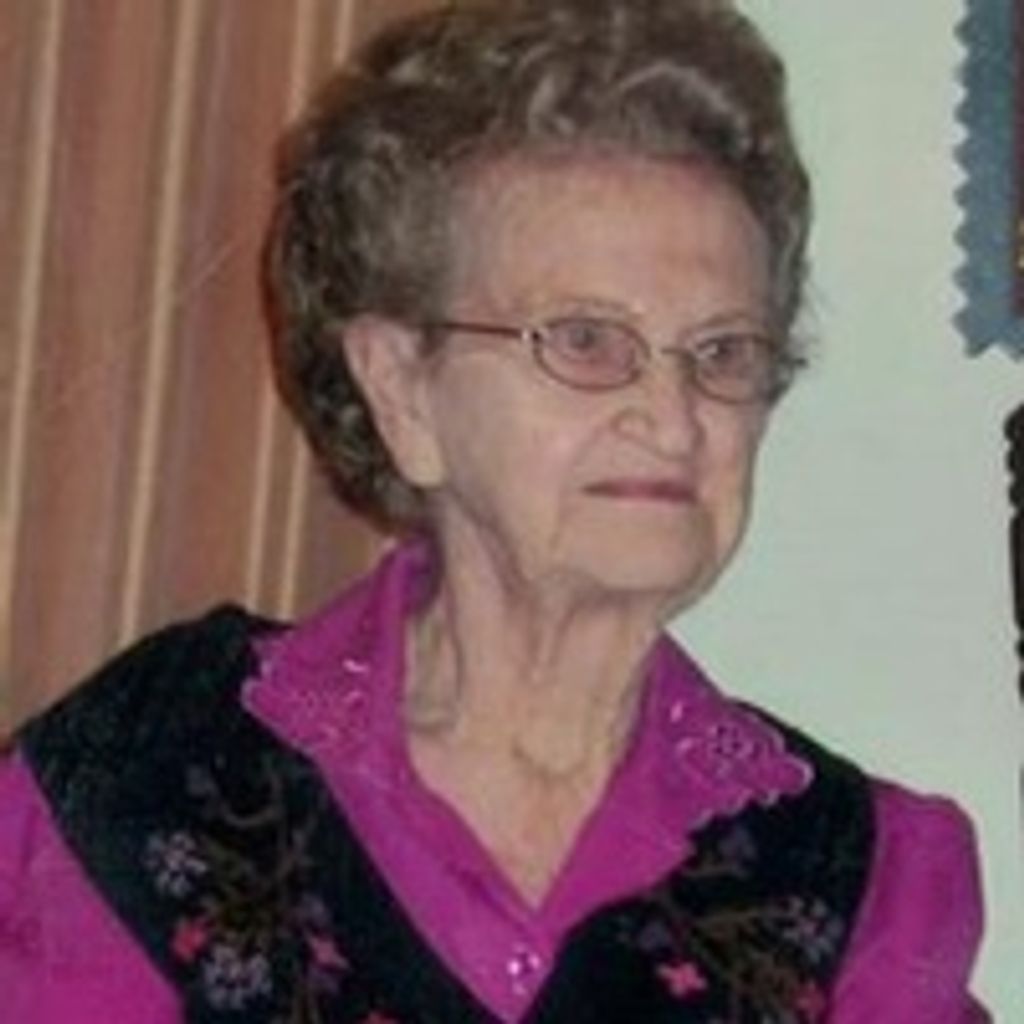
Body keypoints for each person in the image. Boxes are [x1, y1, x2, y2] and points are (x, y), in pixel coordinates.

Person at [0, 0, 987, 1020]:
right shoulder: (157, 764)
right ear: (402, 391)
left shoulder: (858, 875)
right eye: (585, 341)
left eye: (722, 353)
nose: (673, 416)